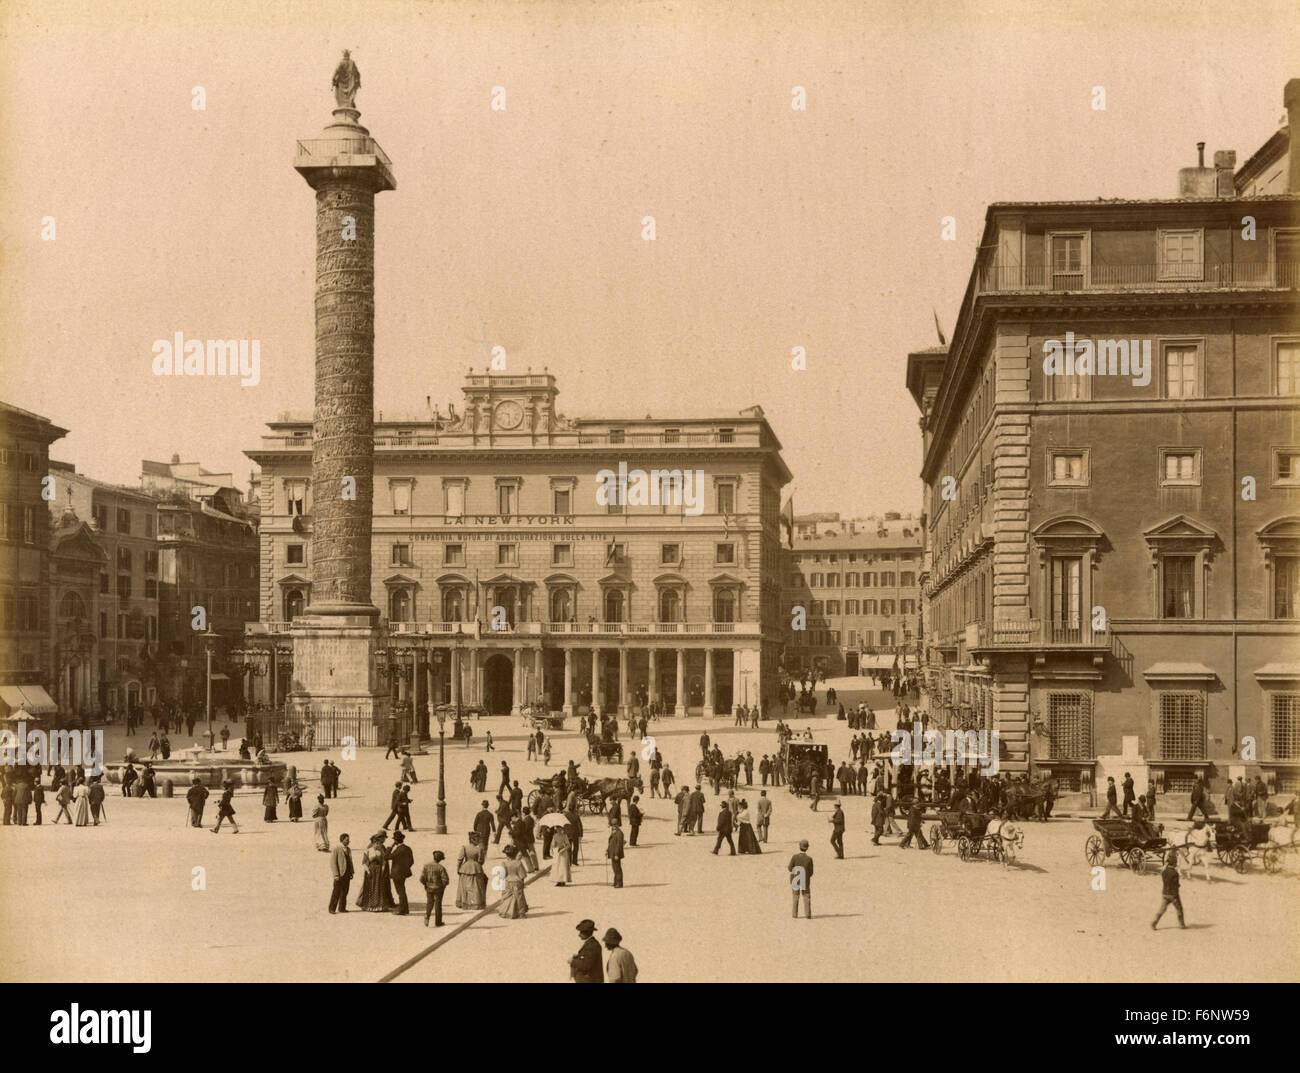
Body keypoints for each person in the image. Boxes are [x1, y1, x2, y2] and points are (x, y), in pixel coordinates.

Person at [356, 832, 395, 912]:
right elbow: (364, 861)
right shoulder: (370, 848)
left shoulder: (381, 848)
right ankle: (369, 905)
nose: (383, 840)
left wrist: (383, 870)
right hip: (372, 871)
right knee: (371, 888)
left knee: (379, 888)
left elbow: (384, 860)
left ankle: (380, 905)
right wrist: (368, 870)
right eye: (383, 838)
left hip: (379, 872)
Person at [1152, 851, 1186, 930]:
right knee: (1179, 909)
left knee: (1162, 909)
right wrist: (1175, 896)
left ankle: (1154, 922)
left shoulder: (1164, 872)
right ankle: (1182, 925)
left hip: (1165, 893)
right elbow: (1175, 885)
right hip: (1173, 895)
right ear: (1174, 864)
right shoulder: (1175, 873)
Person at [456, 832, 487, 909]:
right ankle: (476, 903)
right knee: (476, 887)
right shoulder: (479, 849)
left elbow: (460, 860)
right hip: (476, 868)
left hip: (465, 868)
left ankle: (465, 902)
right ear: (473, 839)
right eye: (477, 839)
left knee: (465, 886)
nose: (479, 841)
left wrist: (458, 869)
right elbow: (481, 861)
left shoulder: (464, 847)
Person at [421, 850, 449, 926]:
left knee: (429, 903)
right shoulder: (441, 868)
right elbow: (445, 880)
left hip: (429, 888)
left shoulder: (426, 866)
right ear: (440, 859)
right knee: (438, 905)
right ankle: (438, 922)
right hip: (438, 888)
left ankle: (427, 916)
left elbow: (422, 878)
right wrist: (443, 886)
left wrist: (426, 884)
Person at [389, 830, 414, 915]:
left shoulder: (398, 850)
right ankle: (405, 909)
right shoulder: (407, 848)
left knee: (400, 892)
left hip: (397, 874)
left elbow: (386, 856)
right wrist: (405, 868)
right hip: (404, 873)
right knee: (402, 890)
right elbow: (411, 861)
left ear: (395, 841)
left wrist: (390, 847)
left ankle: (402, 910)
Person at [329, 834, 354, 913]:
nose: (348, 841)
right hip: (340, 874)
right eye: (347, 840)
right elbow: (333, 863)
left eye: (348, 840)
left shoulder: (348, 849)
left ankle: (342, 908)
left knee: (345, 891)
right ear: (342, 840)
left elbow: (350, 861)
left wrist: (351, 872)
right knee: (336, 892)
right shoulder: (336, 849)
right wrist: (336, 874)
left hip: (347, 874)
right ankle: (332, 909)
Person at [789, 840, 813, 919]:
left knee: (795, 897)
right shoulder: (809, 859)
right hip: (805, 880)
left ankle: (794, 914)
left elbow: (789, 868)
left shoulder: (794, 857)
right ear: (807, 848)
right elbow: (811, 872)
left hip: (795, 879)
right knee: (806, 896)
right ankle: (808, 914)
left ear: (799, 847)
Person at [607, 817, 625, 887]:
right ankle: (615, 882)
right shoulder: (613, 832)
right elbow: (611, 843)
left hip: (616, 854)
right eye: (612, 825)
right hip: (612, 853)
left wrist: (616, 854)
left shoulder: (619, 833)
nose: (613, 826)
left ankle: (619, 883)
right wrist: (607, 850)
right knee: (614, 868)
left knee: (617, 868)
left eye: (615, 824)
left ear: (617, 825)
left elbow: (619, 845)